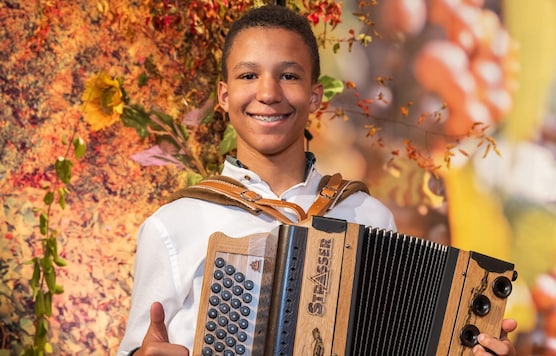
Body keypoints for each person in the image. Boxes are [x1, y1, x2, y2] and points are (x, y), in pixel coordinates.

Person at [118, 5, 517, 356]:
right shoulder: (173, 225)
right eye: (248, 75)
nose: (268, 92)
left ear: (314, 96)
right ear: (224, 95)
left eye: (289, 76)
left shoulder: (370, 217)